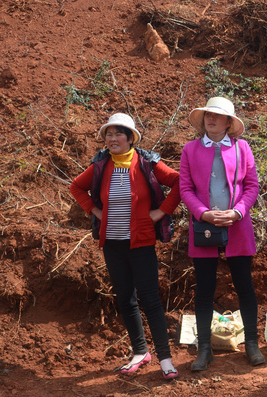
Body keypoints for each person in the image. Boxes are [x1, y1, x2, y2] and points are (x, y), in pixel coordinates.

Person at [70, 113, 180, 379]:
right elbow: (76, 187)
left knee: (150, 299)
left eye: (118, 133)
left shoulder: (148, 163)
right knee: (126, 299)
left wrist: (160, 212)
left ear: (131, 138)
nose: (112, 138)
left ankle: (165, 359)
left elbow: (180, 182)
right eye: (108, 134)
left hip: (141, 242)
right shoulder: (101, 166)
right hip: (112, 244)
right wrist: (95, 211)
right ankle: (141, 352)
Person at [179, 97, 265, 371]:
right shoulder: (190, 150)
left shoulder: (242, 148)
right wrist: (203, 213)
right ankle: (204, 348)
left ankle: (251, 343)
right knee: (204, 289)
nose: (211, 119)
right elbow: (185, 188)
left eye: (217, 116)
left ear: (229, 122)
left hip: (237, 226)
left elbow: (252, 185)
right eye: (208, 115)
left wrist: (238, 212)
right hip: (203, 227)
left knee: (244, 286)